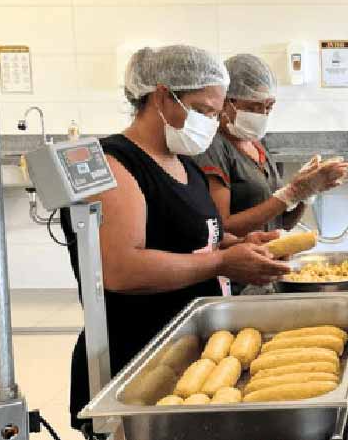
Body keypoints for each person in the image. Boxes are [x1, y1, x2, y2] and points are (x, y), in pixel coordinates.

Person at [61, 45, 292, 432]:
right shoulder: (116, 165)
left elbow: (193, 242)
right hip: (136, 359)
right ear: (164, 97)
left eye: (216, 114)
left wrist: (236, 246)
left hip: (188, 352)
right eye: (203, 110)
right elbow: (120, 269)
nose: (211, 123)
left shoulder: (183, 162)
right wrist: (220, 262)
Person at [194, 54, 348, 237]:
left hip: (268, 257)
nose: (262, 114)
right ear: (226, 102)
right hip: (237, 261)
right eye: (253, 107)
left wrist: (304, 196)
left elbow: (281, 223)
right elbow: (221, 228)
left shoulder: (257, 145)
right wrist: (291, 193)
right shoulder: (214, 147)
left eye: (268, 107)